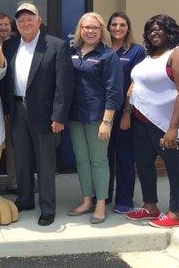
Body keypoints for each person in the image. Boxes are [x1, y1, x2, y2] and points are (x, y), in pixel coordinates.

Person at [0, 3, 75, 226]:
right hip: (17, 110)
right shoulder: (11, 45)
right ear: (16, 24)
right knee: (21, 158)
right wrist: (6, 110)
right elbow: (6, 80)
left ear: (39, 20)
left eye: (29, 18)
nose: (25, 23)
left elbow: (64, 86)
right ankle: (24, 199)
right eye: (21, 20)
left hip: (45, 114)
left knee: (45, 163)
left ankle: (48, 207)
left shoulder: (56, 46)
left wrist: (59, 117)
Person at [125, 14, 179, 228]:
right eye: (150, 30)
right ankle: (150, 207)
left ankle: (175, 213)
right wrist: (127, 111)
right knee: (144, 164)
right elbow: (136, 85)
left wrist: (173, 129)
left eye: (159, 28)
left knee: (174, 168)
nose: (154, 32)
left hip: (167, 124)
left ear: (170, 30)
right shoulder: (151, 55)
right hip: (143, 122)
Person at [67, 12, 123, 224]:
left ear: (102, 31)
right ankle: (86, 200)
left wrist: (107, 121)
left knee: (98, 161)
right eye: (86, 27)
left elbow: (114, 91)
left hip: (98, 118)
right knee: (81, 160)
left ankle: (100, 204)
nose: (90, 31)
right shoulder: (72, 52)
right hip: (75, 116)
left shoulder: (108, 56)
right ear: (80, 30)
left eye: (95, 28)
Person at [106, 12, 146, 214]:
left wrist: (127, 113)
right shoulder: (102, 49)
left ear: (128, 28)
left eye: (122, 25)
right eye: (114, 25)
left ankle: (124, 199)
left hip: (124, 112)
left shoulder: (136, 51)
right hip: (104, 112)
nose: (118, 28)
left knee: (123, 156)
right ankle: (102, 196)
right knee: (104, 157)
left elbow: (135, 84)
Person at [0, 12, 17, 193]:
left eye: (6, 24)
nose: (3, 28)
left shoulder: (16, 45)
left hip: (8, 105)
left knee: (12, 147)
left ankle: (13, 183)